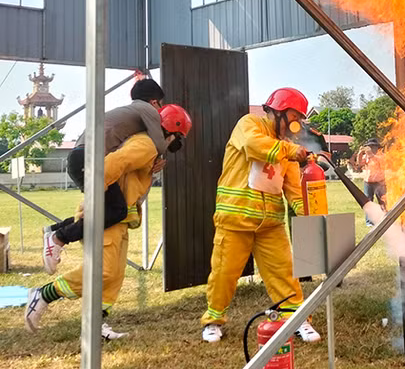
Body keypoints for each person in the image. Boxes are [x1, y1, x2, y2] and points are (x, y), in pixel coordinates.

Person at [24, 105, 192, 338]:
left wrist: (150, 171)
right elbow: (114, 163)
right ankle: (43, 294)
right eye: (178, 139)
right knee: (102, 272)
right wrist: (96, 200)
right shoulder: (146, 144)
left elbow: (130, 178)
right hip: (110, 218)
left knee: (114, 277)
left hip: (121, 220)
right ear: (172, 133)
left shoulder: (149, 149)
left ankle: (95, 326)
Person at [200, 87, 321, 344]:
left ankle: (296, 318)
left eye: (299, 119)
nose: (296, 124)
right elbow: (254, 146)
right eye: (293, 117)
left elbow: (292, 187)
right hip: (235, 219)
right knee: (224, 272)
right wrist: (290, 151)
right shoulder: (249, 124)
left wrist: (308, 210)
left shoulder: (288, 147)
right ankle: (213, 320)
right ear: (277, 112)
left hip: (270, 224)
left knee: (284, 272)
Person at [42, 79, 170, 275]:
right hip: (88, 158)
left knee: (104, 209)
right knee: (118, 211)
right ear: (154, 102)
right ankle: (59, 238)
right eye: (160, 106)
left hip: (81, 157)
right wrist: (162, 156)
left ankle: (54, 229)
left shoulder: (129, 112)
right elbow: (159, 144)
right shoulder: (147, 109)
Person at [355, 138, 386, 226]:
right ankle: (369, 221)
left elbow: (379, 162)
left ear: (377, 147)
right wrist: (360, 153)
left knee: (383, 202)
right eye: (370, 146)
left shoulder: (381, 156)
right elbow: (359, 164)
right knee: (368, 202)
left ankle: (385, 219)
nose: (371, 148)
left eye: (373, 146)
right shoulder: (366, 157)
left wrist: (370, 154)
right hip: (368, 182)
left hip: (380, 182)